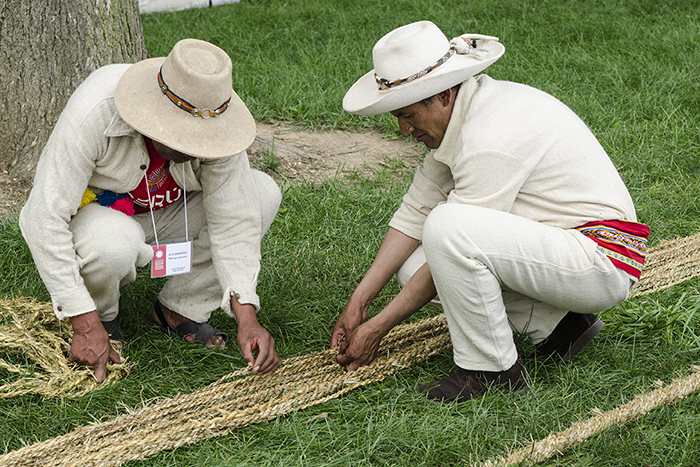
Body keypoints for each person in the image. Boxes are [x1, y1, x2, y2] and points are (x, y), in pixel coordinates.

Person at [330, 21, 649, 403]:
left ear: (443, 95)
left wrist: (378, 327)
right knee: (415, 265)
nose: (402, 129)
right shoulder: (466, 113)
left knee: (447, 227)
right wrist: (358, 302)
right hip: (571, 248)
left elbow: (452, 238)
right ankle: (559, 326)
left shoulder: (489, 134)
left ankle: (490, 369)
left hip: (602, 259)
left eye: (408, 114)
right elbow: (414, 212)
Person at [20, 39, 282, 383]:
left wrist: (246, 316)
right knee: (112, 244)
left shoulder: (215, 110)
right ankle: (100, 319)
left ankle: (180, 307)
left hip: (172, 213)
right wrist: (81, 319)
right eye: (182, 138)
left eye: (202, 141)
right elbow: (42, 216)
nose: (194, 150)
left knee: (261, 193)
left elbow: (235, 218)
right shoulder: (95, 109)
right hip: (102, 216)